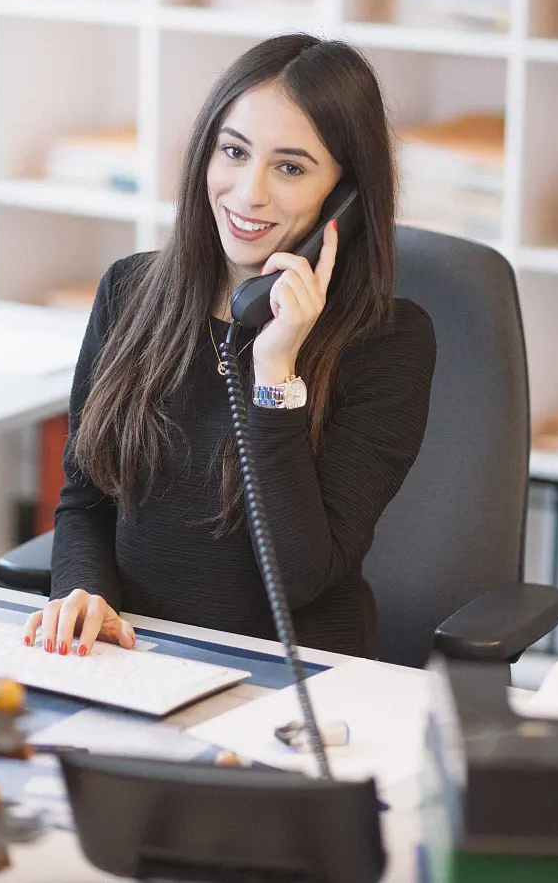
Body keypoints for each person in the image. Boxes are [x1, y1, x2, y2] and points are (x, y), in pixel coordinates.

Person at [24, 34, 436, 659]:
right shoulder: (130, 294)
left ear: (345, 197)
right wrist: (83, 594)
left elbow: (296, 578)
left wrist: (276, 373)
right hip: (133, 659)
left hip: (286, 680)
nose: (249, 193)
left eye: (291, 167)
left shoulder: (388, 344)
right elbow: (86, 498)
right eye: (234, 152)